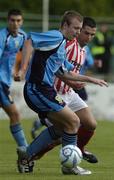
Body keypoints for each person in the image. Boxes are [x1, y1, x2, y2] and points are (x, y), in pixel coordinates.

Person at [16, 11, 108, 175]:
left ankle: (26, 155)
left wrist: (92, 80)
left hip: (46, 91)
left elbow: (65, 73)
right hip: (37, 89)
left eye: (80, 29)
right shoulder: (56, 37)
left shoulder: (60, 47)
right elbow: (30, 40)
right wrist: (23, 69)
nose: (78, 33)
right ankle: (69, 166)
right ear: (65, 25)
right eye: (76, 28)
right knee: (73, 121)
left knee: (62, 128)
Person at [31, 17, 99, 166]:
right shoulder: (67, 44)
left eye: (92, 34)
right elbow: (57, 70)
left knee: (90, 124)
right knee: (64, 132)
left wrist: (81, 82)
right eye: (86, 33)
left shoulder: (84, 50)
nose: (89, 37)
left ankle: (79, 150)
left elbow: (69, 72)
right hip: (55, 93)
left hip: (70, 93)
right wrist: (73, 82)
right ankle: (32, 155)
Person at [0, 9, 28, 149]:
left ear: (22, 22)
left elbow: (27, 54)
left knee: (14, 115)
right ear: (7, 21)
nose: (15, 23)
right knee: (15, 114)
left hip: (5, 82)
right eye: (12, 20)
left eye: (18, 20)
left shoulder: (23, 36)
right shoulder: (2, 37)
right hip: (0, 83)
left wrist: (21, 71)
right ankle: (26, 151)